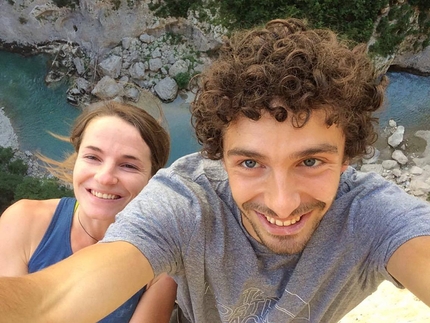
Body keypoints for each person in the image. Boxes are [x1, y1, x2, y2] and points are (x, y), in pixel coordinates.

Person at [0, 18, 430, 323]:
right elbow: (48, 303)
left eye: (311, 161)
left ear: (349, 155)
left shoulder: (373, 217)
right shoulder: (187, 202)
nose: (282, 202)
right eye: (249, 163)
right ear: (218, 160)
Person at [0, 100, 177, 322]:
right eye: (93, 157)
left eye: (129, 165)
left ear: (152, 179)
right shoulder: (24, 222)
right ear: (76, 159)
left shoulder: (160, 264)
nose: (105, 177)